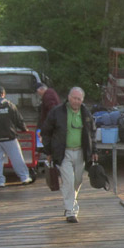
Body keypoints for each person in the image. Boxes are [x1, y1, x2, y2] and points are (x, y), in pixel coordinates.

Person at [41, 86, 98, 223]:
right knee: (68, 181)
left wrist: (94, 150)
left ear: (82, 100)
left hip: (80, 152)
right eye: (74, 98)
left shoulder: (86, 113)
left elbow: (92, 133)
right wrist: (48, 151)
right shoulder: (57, 112)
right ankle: (71, 211)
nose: (76, 101)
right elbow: (46, 132)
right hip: (63, 152)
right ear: (68, 97)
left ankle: (71, 202)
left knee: (77, 181)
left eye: (79, 99)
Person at [0, 86, 33, 187]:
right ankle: (24, 177)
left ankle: (0, 181)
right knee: (16, 158)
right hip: (9, 137)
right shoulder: (10, 105)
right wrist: (24, 129)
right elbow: (18, 120)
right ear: (3, 94)